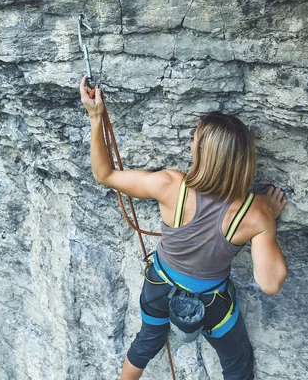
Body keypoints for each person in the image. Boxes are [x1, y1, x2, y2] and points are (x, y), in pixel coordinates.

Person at [79, 75, 288, 380]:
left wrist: (96, 117)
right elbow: (270, 284)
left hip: (159, 286)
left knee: (146, 343)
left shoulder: (171, 186)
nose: (190, 143)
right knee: (237, 362)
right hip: (213, 303)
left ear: (202, 152)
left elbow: (105, 174)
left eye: (195, 138)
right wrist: (267, 214)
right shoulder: (254, 213)